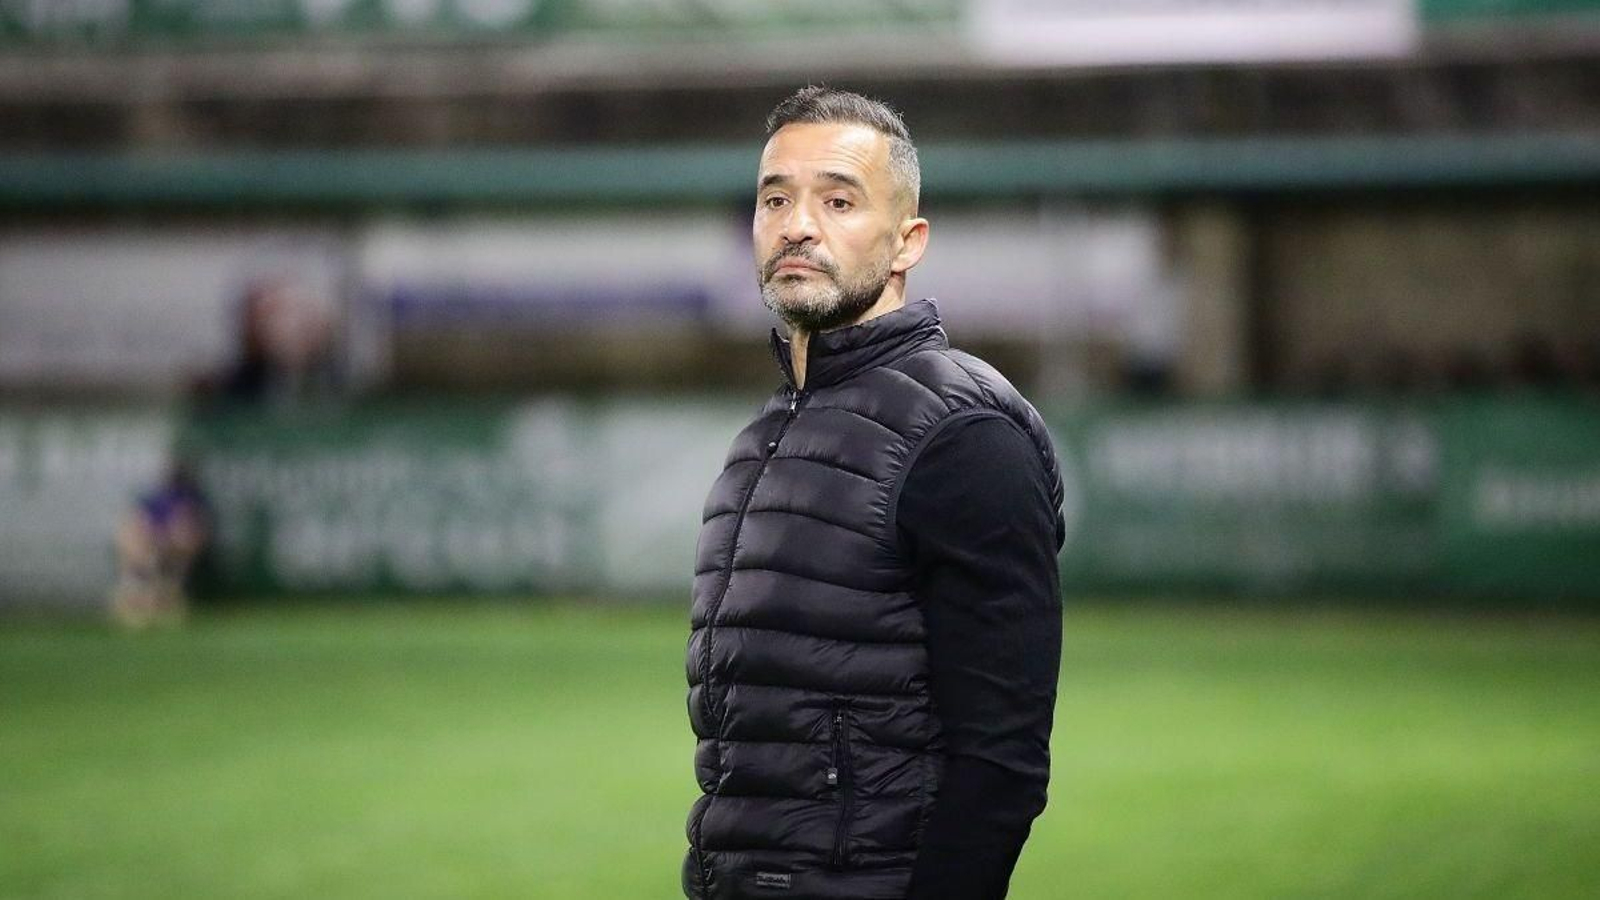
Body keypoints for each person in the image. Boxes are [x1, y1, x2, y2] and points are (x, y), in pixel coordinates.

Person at [684, 87, 1066, 900]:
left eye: (838, 199)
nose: (797, 223)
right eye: (775, 198)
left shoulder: (966, 437)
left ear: (906, 241)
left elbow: (1001, 762)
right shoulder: (764, 437)